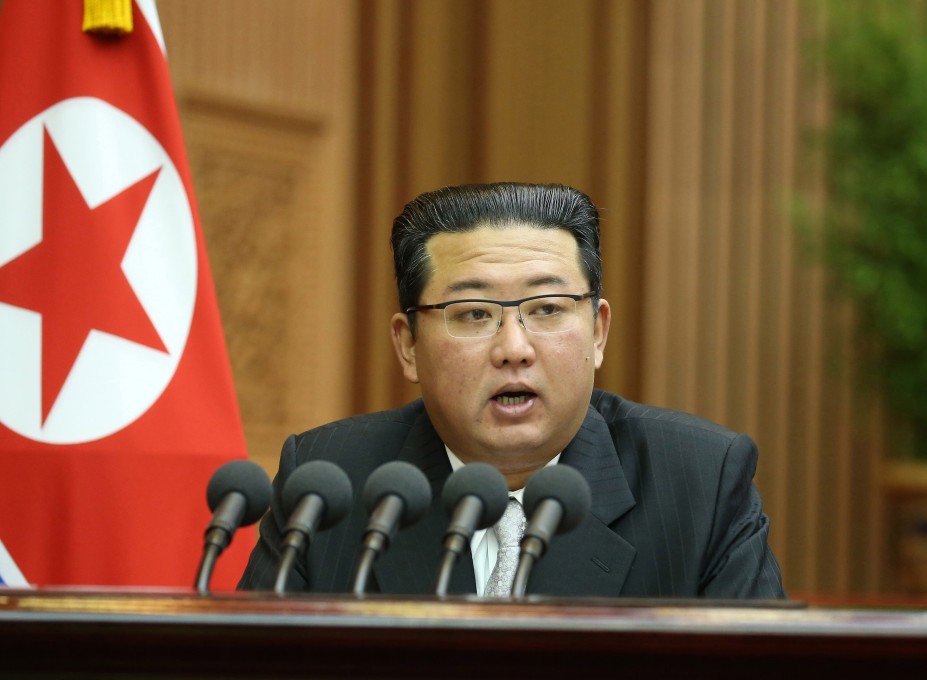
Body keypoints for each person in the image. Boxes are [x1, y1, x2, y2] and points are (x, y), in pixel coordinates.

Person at [238, 182, 785, 599]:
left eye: (547, 309)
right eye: (474, 313)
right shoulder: (327, 484)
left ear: (597, 332)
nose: (514, 348)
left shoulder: (699, 482)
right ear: (408, 346)